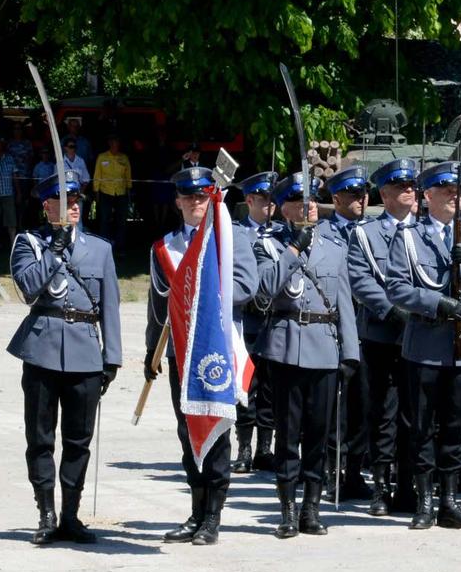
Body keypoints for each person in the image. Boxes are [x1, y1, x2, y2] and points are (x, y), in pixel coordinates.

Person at [7, 170, 122, 544]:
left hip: (86, 351)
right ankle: (46, 513)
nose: (73, 206)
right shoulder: (30, 243)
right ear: (47, 206)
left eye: (76, 200)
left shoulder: (100, 248)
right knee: (40, 438)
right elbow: (27, 288)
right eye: (63, 201)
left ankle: (71, 514)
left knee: (78, 440)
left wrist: (112, 357)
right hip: (41, 348)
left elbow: (110, 307)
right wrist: (54, 250)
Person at [143, 166, 257, 545]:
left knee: (218, 431)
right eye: (189, 196)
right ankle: (195, 512)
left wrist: (207, 295)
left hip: (217, 350)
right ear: (177, 201)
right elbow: (158, 307)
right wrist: (151, 351)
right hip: (180, 353)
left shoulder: (230, 237)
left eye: (202, 195)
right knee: (187, 432)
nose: (196, 202)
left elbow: (245, 287)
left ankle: (213, 516)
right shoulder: (166, 246)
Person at [386, 161, 461, 530]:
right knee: (422, 426)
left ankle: (449, 500)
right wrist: (440, 304)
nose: (454, 197)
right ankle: (425, 500)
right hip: (425, 345)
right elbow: (398, 289)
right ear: (428, 196)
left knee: (455, 426)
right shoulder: (408, 237)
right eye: (446, 191)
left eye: (458, 191)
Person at [253, 171, 359, 538]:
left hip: (325, 346)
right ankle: (287, 509)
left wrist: (350, 353)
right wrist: (294, 248)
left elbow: (344, 301)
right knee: (288, 434)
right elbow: (265, 289)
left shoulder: (336, 246)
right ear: (284, 208)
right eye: (298, 201)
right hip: (286, 347)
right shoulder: (268, 245)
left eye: (312, 200)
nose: (307, 206)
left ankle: (311, 509)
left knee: (319, 432)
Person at [347, 158, 418, 516]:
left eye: (411, 186)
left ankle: (409, 484)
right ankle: (380, 485)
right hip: (383, 335)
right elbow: (361, 280)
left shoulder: (425, 231)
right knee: (383, 414)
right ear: (384, 194)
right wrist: (393, 312)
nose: (409, 191)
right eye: (400, 186)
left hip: (422, 338)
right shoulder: (365, 233)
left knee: (415, 414)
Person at [316, 165, 372, 502]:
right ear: (336, 198)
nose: (360, 200)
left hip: (368, 326)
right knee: (336, 409)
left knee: (364, 405)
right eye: (353, 194)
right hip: (335, 327)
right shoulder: (323, 232)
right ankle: (331, 470)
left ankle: (355, 471)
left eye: (363, 193)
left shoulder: (374, 231)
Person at [231, 171, 280, 473]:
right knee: (246, 386)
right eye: (263, 200)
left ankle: (265, 447)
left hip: (273, 322)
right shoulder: (236, 234)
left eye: (272, 201)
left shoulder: (282, 235)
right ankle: (245, 447)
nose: (269, 207)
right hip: (247, 321)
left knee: (271, 388)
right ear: (249, 200)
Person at [93, 135, 132, 247]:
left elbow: (128, 175)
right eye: (113, 142)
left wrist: (129, 190)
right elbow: (97, 175)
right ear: (109, 143)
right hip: (105, 192)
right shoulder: (102, 157)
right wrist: (96, 192)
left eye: (117, 142)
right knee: (105, 219)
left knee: (121, 221)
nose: (115, 144)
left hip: (121, 192)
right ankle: (103, 245)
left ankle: (120, 246)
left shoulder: (124, 158)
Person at [0, 134, 20, 251]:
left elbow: (15, 175)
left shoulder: (10, 158)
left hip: (8, 193)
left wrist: (18, 192)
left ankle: (12, 245)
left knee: (11, 221)